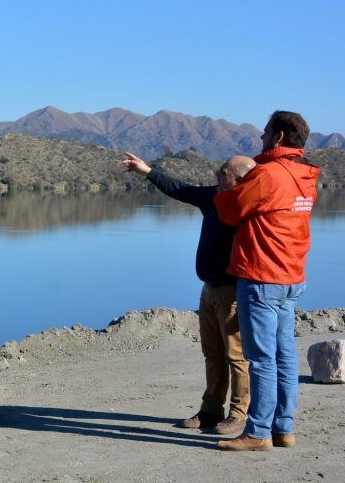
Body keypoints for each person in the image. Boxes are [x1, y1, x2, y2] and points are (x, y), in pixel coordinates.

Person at [122, 151, 255, 435]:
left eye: (223, 172)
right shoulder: (213, 196)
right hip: (208, 290)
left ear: (240, 179)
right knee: (212, 353)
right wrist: (147, 171)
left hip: (232, 291)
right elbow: (181, 190)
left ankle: (238, 414)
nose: (217, 174)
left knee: (236, 355)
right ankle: (210, 411)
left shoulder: (248, 203)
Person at [214, 111, 320, 451]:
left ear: (278, 137)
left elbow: (230, 211)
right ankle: (283, 428)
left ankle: (257, 433)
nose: (260, 138)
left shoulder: (269, 175)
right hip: (291, 275)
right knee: (285, 354)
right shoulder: (305, 175)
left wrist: (226, 188)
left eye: (265, 133)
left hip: (263, 276)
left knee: (260, 358)